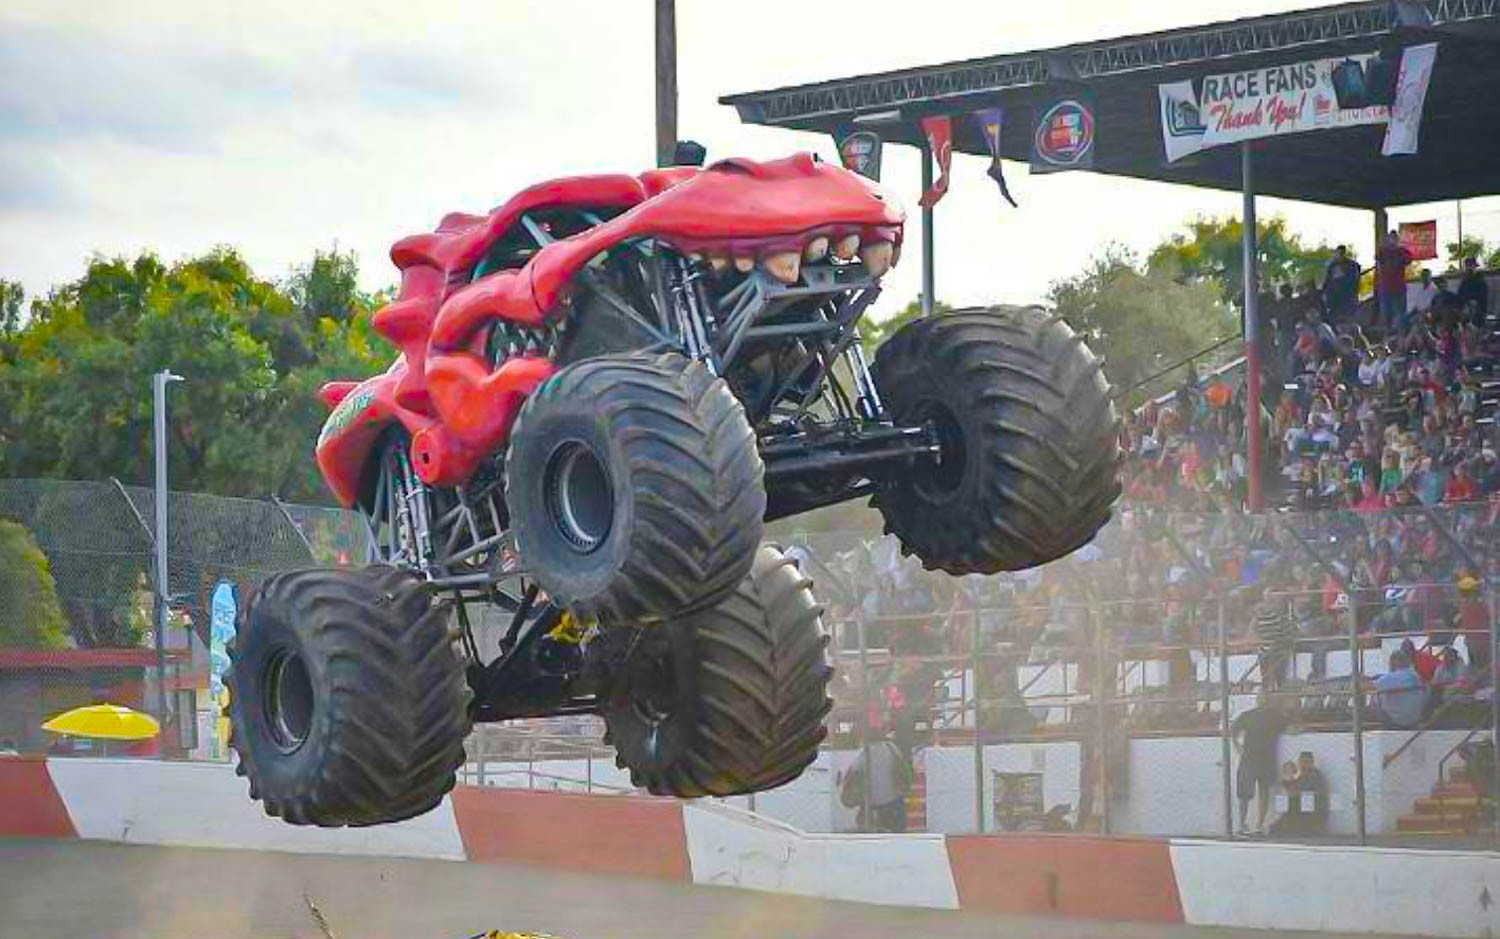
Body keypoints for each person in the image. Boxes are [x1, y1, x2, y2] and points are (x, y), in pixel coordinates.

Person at [1232, 692, 1290, 836]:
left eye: (1265, 699)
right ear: (1257, 700)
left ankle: (1259, 825)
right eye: (1261, 698)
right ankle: (1242, 823)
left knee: (1264, 791)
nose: (1263, 701)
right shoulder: (1248, 715)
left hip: (1266, 759)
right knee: (1244, 794)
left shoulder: (1276, 717)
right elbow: (1233, 730)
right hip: (1249, 759)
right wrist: (1237, 746)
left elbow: (1289, 728)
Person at [840, 733, 911, 833]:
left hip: (872, 802)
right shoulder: (891, 747)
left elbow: (852, 772)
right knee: (897, 833)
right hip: (893, 800)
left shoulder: (864, 752)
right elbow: (903, 767)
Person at [1375, 651, 1427, 729]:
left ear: (1395, 662)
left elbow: (1369, 686)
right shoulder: (1415, 675)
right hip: (1414, 718)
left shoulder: (1394, 677)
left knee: (1375, 697)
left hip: (1398, 720)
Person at [1376, 231, 1413, 330]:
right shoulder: (1383, 251)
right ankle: (1386, 336)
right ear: (1388, 239)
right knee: (1385, 314)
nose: (1393, 240)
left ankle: (1399, 335)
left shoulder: (1403, 251)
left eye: (1395, 238)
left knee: (1400, 314)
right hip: (1385, 287)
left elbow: (1409, 260)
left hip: (1399, 288)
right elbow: (1379, 264)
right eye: (1391, 238)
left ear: (1398, 239)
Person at [1322, 246, 1362, 323]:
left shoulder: (1351, 265)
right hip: (1334, 296)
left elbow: (1355, 280)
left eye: (1341, 253)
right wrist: (1325, 292)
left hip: (1347, 295)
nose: (1339, 255)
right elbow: (1327, 280)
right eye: (1337, 253)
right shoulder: (1332, 266)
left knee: (1348, 317)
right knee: (1335, 316)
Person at [1457, 257, 1489, 329]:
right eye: (1468, 267)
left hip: (1478, 310)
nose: (1469, 269)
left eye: (1471, 266)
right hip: (1465, 309)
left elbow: (1484, 299)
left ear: (1475, 267)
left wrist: (1473, 303)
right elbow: (1459, 297)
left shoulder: (1480, 282)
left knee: (1473, 315)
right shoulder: (1464, 283)